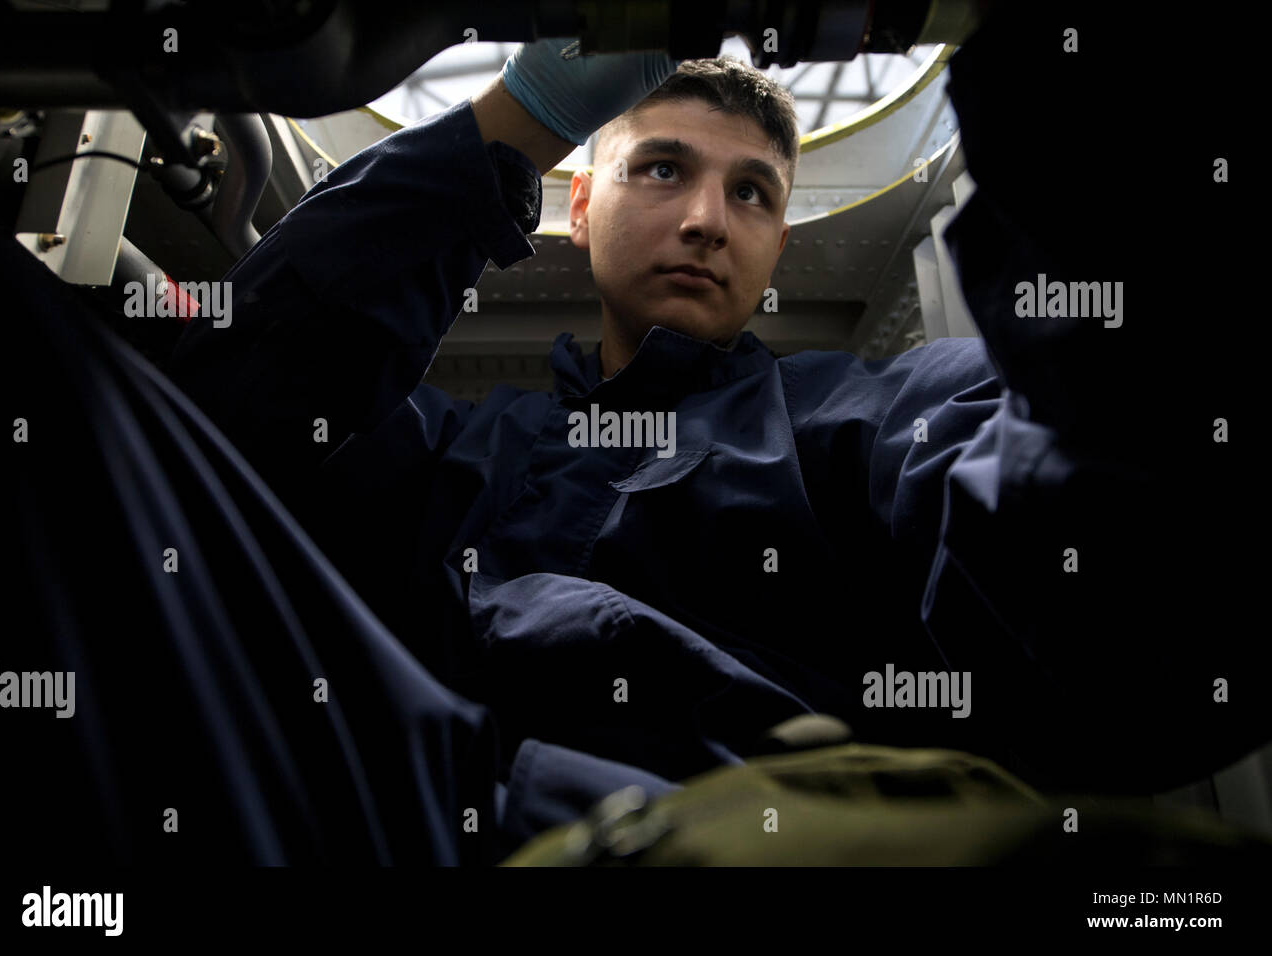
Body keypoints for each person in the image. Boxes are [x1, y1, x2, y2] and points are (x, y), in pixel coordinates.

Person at [165, 2, 1268, 859]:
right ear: (581, 206)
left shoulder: (864, 419)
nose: (703, 218)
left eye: (752, 193)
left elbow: (1129, 600)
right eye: (659, 168)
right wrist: (519, 121)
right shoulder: (446, 452)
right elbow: (212, 432)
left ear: (780, 241)